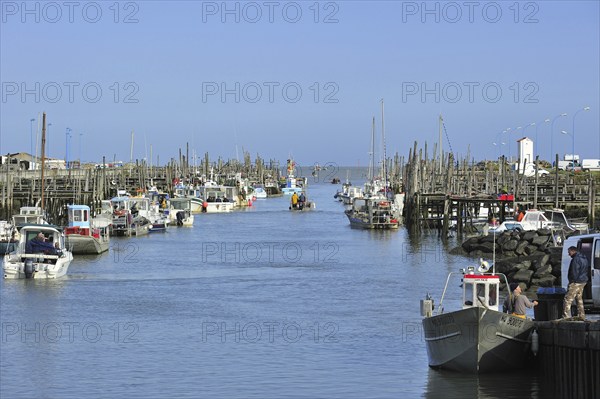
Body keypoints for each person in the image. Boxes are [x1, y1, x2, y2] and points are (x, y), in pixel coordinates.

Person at [562, 246, 589, 320]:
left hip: (576, 282)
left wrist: (572, 282)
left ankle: (566, 316)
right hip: (583, 281)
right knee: (579, 299)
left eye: (569, 252)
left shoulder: (575, 259)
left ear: (573, 251)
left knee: (567, 299)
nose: (568, 254)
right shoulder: (584, 258)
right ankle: (581, 315)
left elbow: (574, 272)